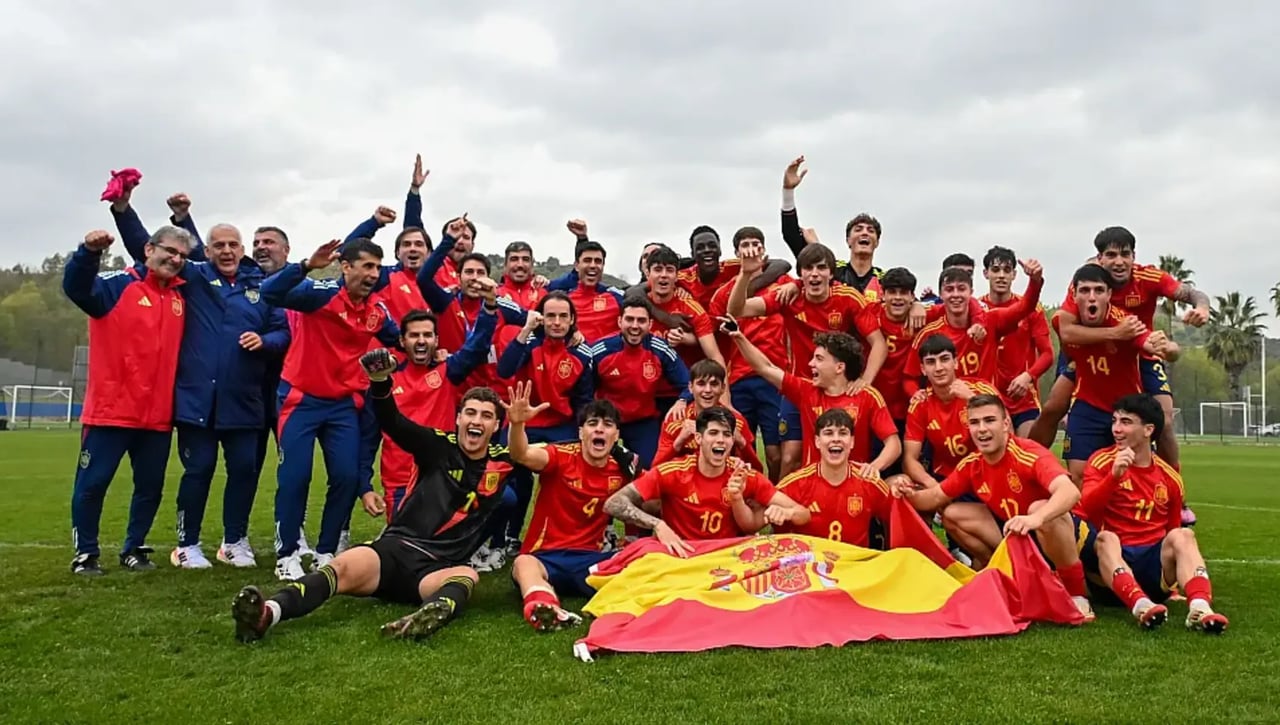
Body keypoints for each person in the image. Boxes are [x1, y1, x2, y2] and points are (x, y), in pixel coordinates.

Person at [231, 350, 514, 643]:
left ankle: (427, 615)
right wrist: (380, 382)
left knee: (467, 576)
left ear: (495, 426)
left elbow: (541, 457)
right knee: (339, 567)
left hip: (435, 569)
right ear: (458, 418)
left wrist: (519, 425)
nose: (476, 420)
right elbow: (394, 423)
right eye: (470, 412)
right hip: (391, 553)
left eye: (486, 415)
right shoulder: (437, 445)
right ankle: (268, 613)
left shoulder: (504, 460)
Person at [259, 236, 402, 579]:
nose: (373, 274)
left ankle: (326, 552)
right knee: (295, 477)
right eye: (367, 266)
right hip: (301, 399)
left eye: (377, 268)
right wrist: (306, 266)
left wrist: (407, 354)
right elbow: (270, 293)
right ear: (346, 266)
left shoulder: (376, 311)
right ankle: (288, 553)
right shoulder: (320, 293)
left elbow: (399, 340)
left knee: (346, 476)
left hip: (342, 405)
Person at [890, 394, 1095, 621]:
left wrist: (1035, 518)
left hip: (1068, 536)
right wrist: (908, 494)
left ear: (1006, 424)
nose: (982, 429)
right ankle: (1005, 574)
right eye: (975, 423)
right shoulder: (972, 464)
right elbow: (935, 497)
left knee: (1040, 508)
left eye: (989, 420)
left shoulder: (1027, 452)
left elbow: (1070, 492)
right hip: (1023, 534)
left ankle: (1077, 592)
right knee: (952, 514)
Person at [1030, 226, 1210, 481]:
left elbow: (1189, 295)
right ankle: (1026, 465)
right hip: (1088, 349)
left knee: (1165, 421)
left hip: (1134, 350)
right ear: (1099, 259)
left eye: (1125, 254)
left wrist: (1198, 312)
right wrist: (1116, 334)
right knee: (1053, 407)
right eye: (1111, 255)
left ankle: (1174, 488)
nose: (1119, 261)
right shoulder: (1086, 280)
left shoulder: (1147, 280)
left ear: (1133, 257)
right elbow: (1067, 331)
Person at [62, 228, 189, 575]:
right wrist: (87, 253)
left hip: (158, 416)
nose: (175, 259)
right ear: (148, 248)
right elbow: (76, 288)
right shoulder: (117, 285)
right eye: (169, 251)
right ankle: (86, 553)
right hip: (111, 411)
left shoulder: (181, 296)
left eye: (182, 255)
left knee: (149, 488)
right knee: (92, 485)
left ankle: (135, 548)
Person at [727, 242, 889, 477]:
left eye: (821, 268)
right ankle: (781, 508)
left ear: (831, 274)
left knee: (842, 455)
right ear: (800, 275)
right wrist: (745, 274)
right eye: (808, 268)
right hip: (800, 389)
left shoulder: (848, 298)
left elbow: (879, 344)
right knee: (789, 457)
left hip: (838, 390)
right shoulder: (789, 297)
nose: (815, 274)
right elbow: (737, 310)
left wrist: (865, 380)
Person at [1077, 394, 1228, 633]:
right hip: (1110, 573)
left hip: (1153, 572)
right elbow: (1086, 511)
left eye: (1126, 422)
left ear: (1148, 430)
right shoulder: (1102, 461)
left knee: (1184, 536)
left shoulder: (1169, 478)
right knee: (1107, 538)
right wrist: (1113, 477)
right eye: (1115, 421)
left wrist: (1174, 588)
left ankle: (1200, 608)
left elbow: (1171, 531)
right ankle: (1140, 606)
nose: (1116, 428)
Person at [504, 383, 637, 631]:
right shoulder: (560, 456)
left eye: (607, 425)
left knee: (638, 561)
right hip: (545, 556)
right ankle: (544, 607)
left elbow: (655, 500)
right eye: (593, 423)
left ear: (616, 435)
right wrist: (517, 424)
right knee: (523, 564)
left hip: (589, 560)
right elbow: (520, 454)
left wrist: (637, 471)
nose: (600, 429)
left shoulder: (623, 468)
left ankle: (634, 605)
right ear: (581, 432)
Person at [603, 407, 809, 553]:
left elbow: (803, 513)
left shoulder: (744, 476)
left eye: (726, 434)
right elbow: (614, 503)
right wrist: (658, 525)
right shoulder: (674, 471)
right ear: (699, 439)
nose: (720, 439)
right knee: (643, 552)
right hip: (681, 553)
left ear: (731, 441)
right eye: (713, 433)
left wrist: (787, 512)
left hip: (726, 556)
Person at [491, 292, 596, 561]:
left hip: (561, 426)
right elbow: (504, 370)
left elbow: (584, 400)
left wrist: (581, 435)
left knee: (571, 480)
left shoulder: (582, 353)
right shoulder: (529, 343)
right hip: (523, 423)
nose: (557, 322)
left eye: (563, 316)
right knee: (506, 479)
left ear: (573, 319)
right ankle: (500, 540)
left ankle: (568, 540)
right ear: (541, 318)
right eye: (550, 316)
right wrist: (526, 328)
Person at [726, 325, 900, 478]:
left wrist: (873, 468)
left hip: (853, 486)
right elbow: (765, 367)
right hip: (813, 487)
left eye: (819, 359)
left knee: (898, 484)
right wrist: (738, 336)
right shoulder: (806, 391)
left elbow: (893, 444)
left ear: (839, 367)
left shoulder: (867, 396)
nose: (810, 364)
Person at [1054, 264, 1173, 484]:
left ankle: (1174, 493)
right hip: (1087, 405)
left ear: (1109, 294)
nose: (1092, 297)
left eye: (1099, 291)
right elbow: (1067, 334)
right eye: (1085, 291)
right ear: (1074, 294)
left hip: (1124, 408)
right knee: (1079, 472)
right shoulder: (1064, 320)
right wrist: (1113, 335)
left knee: (1134, 469)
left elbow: (1156, 346)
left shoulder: (1125, 321)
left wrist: (1170, 348)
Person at [377, 308, 498, 519]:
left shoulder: (447, 371)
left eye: (427, 335)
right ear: (402, 341)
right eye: (414, 335)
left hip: (442, 476)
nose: (421, 341)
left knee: (439, 542)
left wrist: (488, 308)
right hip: (399, 479)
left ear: (436, 340)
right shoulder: (386, 381)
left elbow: (476, 347)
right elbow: (369, 435)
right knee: (401, 544)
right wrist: (363, 485)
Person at [708, 227, 794, 480]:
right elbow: (710, 335)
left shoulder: (784, 284)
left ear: (764, 250)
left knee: (775, 452)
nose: (751, 249)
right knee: (738, 447)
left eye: (756, 243)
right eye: (744, 244)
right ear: (736, 252)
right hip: (740, 379)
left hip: (775, 377)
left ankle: (772, 497)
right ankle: (739, 501)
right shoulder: (725, 293)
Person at [902, 259, 1044, 398]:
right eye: (949, 289)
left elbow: (1024, 307)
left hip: (982, 410)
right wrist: (916, 394)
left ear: (971, 292)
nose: (956, 295)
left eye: (962, 289)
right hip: (942, 413)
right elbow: (909, 378)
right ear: (941, 294)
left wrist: (1035, 281)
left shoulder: (990, 321)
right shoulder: (928, 333)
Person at [590, 296, 691, 467]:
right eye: (630, 319)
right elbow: (583, 390)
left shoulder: (660, 349)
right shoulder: (600, 351)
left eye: (641, 321)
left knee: (651, 471)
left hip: (642, 421)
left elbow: (688, 383)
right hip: (606, 420)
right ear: (620, 321)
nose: (635, 326)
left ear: (650, 325)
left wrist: (682, 400)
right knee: (598, 468)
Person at [775, 409, 892, 546]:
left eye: (843, 433)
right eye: (828, 433)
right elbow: (760, 512)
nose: (836, 439)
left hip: (856, 564)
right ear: (817, 442)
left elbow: (898, 515)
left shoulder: (868, 482)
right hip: (812, 564)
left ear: (852, 442)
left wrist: (898, 483)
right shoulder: (797, 483)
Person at [902, 335, 1002, 490]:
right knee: (899, 486)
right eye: (930, 362)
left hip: (987, 474)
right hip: (944, 479)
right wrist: (935, 489)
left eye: (944, 359)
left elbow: (1007, 436)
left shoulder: (982, 390)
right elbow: (909, 460)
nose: (939, 368)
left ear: (955, 362)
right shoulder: (920, 404)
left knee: (952, 513)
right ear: (922, 369)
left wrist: (972, 399)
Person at [779, 156, 883, 297]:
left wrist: (916, 306)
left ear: (877, 242)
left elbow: (908, 298)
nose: (864, 233)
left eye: (870, 231)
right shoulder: (831, 268)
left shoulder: (885, 279)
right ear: (848, 240)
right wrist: (788, 191)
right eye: (858, 230)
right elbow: (791, 235)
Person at [980, 246, 1053, 437]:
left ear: (1014, 274)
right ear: (986, 273)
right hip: (987, 398)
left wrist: (1028, 376)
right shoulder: (977, 311)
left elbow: (1047, 354)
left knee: (1025, 454)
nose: (1001, 276)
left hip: (1023, 399)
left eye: (1007, 270)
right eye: (996, 270)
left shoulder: (1031, 309)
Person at [654, 360, 760, 469]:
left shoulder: (737, 422)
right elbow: (655, 469)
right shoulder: (676, 419)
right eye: (701, 384)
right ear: (690, 387)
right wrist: (679, 441)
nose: (708, 390)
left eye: (714, 384)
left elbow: (756, 471)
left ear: (723, 388)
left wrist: (741, 442)